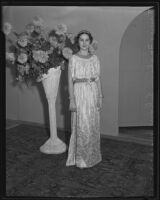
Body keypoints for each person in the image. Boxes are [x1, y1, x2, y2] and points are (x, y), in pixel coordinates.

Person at [66, 30, 103, 168]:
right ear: (78, 42)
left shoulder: (95, 58)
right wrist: (71, 100)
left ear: (90, 42)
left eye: (87, 40)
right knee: (81, 125)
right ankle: (81, 158)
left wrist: (100, 96)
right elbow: (70, 81)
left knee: (92, 124)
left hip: (92, 92)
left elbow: (98, 79)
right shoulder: (73, 59)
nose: (84, 43)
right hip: (79, 93)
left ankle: (92, 155)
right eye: (81, 40)